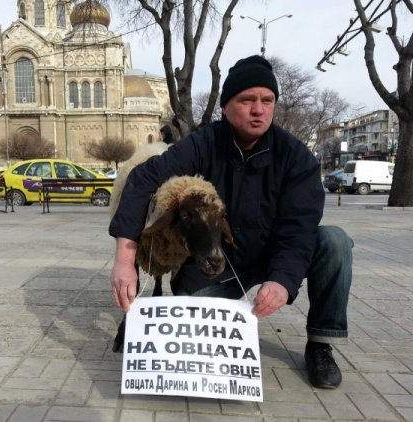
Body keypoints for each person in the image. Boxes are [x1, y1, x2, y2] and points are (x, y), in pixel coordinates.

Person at [109, 55, 353, 389]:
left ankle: (321, 344)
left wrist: (282, 280)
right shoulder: (202, 144)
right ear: (226, 106)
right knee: (185, 324)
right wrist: (124, 259)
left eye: (267, 100)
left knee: (335, 242)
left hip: (273, 258)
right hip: (218, 262)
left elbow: (299, 229)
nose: (258, 109)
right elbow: (141, 179)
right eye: (247, 100)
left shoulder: (296, 158)